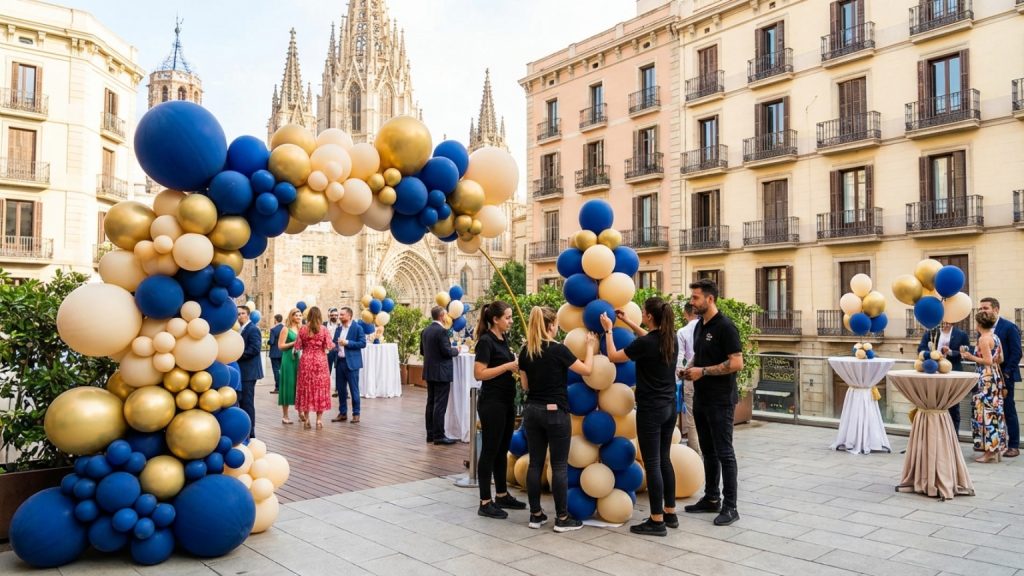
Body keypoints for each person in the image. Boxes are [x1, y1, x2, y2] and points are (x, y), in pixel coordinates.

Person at [601, 297, 679, 537]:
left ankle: (656, 521)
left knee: (653, 463)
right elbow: (647, 337)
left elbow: (614, 356)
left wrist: (609, 330)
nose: (641, 315)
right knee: (664, 460)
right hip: (669, 406)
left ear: (650, 317)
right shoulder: (670, 338)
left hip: (651, 409)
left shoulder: (646, 343)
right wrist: (629, 322)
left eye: (643, 313)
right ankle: (670, 512)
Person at [519, 306, 596, 533]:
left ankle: (535, 515)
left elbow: (525, 386)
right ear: (552, 326)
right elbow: (587, 370)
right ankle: (562, 518)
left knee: (535, 463)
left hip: (532, 411)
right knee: (559, 465)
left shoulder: (526, 351)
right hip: (555, 412)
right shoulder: (558, 350)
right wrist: (590, 347)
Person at [681, 279, 743, 527]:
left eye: (696, 298)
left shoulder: (726, 327)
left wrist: (703, 372)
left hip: (721, 400)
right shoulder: (698, 326)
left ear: (710, 299)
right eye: (692, 298)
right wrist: (689, 369)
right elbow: (698, 355)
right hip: (701, 398)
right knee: (708, 452)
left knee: (725, 453)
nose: (692, 302)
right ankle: (711, 498)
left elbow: (736, 363)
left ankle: (731, 507)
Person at [474, 301, 524, 519]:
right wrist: (507, 366)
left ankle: (502, 494)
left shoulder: (504, 339)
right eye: (507, 317)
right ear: (495, 319)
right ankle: (485, 501)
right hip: (491, 402)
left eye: (511, 317)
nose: (511, 321)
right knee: (489, 450)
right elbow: (479, 373)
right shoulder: (485, 342)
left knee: (502, 449)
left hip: (506, 400)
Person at [979, 297, 1021, 457]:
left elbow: (1017, 352)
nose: (982, 311)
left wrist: (1007, 373)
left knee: (1008, 409)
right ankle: (994, 445)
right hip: (990, 378)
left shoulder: (1009, 327)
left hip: (1005, 377)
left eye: (985, 308)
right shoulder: (983, 329)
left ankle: (1014, 446)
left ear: (996, 309)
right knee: (992, 411)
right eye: (981, 308)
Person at [962, 311, 1006, 463]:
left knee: (985, 413)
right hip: (995, 376)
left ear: (978, 324)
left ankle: (989, 452)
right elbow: (1000, 359)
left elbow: (986, 361)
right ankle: (996, 448)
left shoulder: (983, 339)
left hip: (985, 378)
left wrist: (970, 357)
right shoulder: (995, 337)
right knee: (994, 412)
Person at [917, 321, 970, 432]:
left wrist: (950, 352)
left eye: (948, 322)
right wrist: (930, 354)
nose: (945, 324)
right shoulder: (931, 333)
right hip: (933, 374)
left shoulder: (961, 334)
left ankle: (954, 438)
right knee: (933, 405)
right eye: (943, 322)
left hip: (952, 373)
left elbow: (966, 352)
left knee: (953, 407)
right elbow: (920, 349)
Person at [420, 306, 460, 445]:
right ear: (442, 316)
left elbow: (422, 351)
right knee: (440, 404)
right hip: (441, 372)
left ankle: (430, 434)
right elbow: (447, 352)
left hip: (429, 371)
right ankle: (439, 436)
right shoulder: (442, 331)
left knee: (430, 402)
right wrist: (457, 350)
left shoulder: (425, 331)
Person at [294, 306, 335, 430]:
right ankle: (318, 420)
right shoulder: (323, 329)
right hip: (320, 362)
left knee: (306, 389)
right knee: (320, 389)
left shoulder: (302, 329)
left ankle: (306, 419)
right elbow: (329, 345)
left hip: (306, 361)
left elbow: (297, 346)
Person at [331, 307, 366, 423]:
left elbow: (362, 343)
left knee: (354, 389)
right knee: (341, 390)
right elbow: (335, 343)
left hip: (352, 364)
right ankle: (342, 413)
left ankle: (356, 414)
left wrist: (347, 343)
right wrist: (333, 347)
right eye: (339, 315)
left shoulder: (357, 328)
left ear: (349, 316)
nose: (339, 317)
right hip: (340, 362)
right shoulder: (338, 329)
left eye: (342, 315)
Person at [675, 302, 702, 455]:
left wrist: (678, 376)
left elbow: (679, 358)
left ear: (686, 314)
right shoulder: (706, 327)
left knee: (691, 418)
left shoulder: (682, 331)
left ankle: (695, 453)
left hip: (691, 376)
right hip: (706, 375)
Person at [236, 306, 264, 439]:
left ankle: (250, 432)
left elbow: (255, 349)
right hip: (242, 372)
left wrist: (237, 354)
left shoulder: (253, 329)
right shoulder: (240, 330)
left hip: (249, 372)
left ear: (248, 315)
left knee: (247, 403)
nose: (240, 316)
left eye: (242, 313)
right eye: (238, 314)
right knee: (242, 402)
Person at [277, 309, 302, 424]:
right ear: (291, 316)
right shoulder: (285, 329)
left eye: (300, 315)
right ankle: (285, 415)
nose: (298, 317)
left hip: (300, 359)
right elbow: (281, 346)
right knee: (288, 385)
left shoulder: (302, 329)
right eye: (296, 315)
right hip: (288, 359)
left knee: (300, 385)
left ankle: (300, 412)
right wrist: (294, 342)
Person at [325, 308, 343, 397]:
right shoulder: (324, 325)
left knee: (338, 370)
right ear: (329, 315)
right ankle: (326, 387)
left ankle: (337, 389)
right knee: (327, 369)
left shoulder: (341, 326)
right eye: (332, 315)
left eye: (336, 315)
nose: (334, 317)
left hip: (337, 350)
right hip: (327, 350)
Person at [268, 314, 284, 395]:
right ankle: (284, 387)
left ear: (275, 320)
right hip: (283, 352)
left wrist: (267, 342)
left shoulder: (273, 329)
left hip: (274, 352)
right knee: (282, 370)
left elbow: (271, 341)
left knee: (276, 370)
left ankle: (278, 387)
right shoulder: (285, 328)